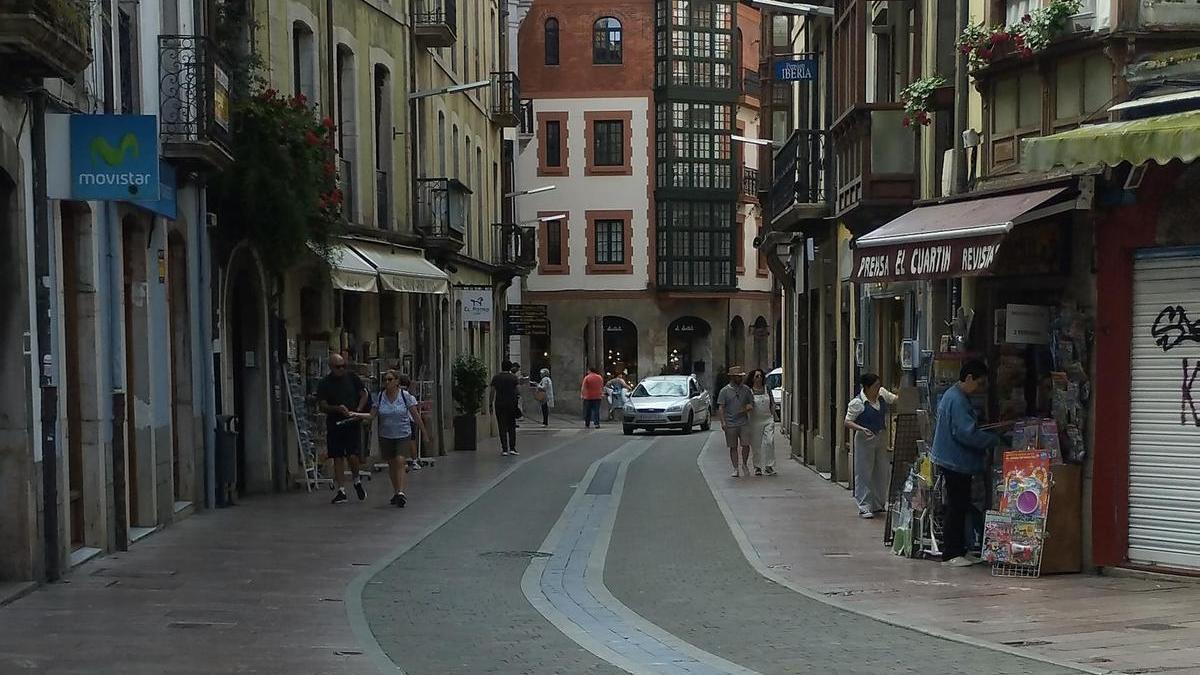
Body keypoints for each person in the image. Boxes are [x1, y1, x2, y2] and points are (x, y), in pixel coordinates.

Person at [931, 359, 999, 567]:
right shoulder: (957, 400)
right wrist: (993, 440)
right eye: (978, 383)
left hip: (953, 460)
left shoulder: (954, 396)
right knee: (957, 506)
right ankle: (952, 553)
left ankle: (959, 549)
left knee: (960, 505)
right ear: (969, 378)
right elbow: (965, 433)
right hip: (954, 461)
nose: (979, 389)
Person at [368, 371, 428, 508]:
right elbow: (372, 415)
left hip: (403, 433)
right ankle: (396, 491)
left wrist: (424, 432)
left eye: (390, 379)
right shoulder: (380, 397)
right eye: (385, 380)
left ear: (397, 381)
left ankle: (401, 492)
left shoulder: (405, 396)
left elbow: (415, 415)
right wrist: (356, 414)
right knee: (392, 464)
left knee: (400, 460)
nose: (387, 382)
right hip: (386, 435)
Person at [316, 354, 370, 504]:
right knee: (337, 456)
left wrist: (358, 410)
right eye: (338, 367)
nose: (341, 369)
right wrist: (337, 408)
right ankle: (341, 490)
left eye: (343, 366)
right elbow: (322, 404)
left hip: (351, 421)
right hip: (334, 422)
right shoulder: (325, 383)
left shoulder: (352, 378)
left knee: (352, 455)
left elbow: (364, 393)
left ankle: (356, 480)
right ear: (331, 367)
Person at [844, 373, 899, 518]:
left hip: (880, 437)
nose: (878, 388)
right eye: (875, 386)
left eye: (879, 385)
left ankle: (879, 503)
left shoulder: (882, 394)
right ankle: (864, 505)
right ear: (867, 388)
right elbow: (847, 421)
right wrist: (861, 428)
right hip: (864, 439)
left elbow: (895, 400)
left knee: (882, 470)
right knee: (864, 472)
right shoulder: (858, 403)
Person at [717, 366, 755, 478]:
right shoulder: (724, 391)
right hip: (730, 422)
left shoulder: (746, 390)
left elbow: (751, 402)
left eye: (741, 376)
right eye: (738, 377)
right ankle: (735, 468)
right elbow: (721, 407)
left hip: (743, 421)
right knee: (733, 446)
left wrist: (749, 407)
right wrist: (723, 422)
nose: (740, 378)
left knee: (746, 444)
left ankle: (744, 464)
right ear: (732, 377)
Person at [747, 369, 778, 477]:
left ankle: (769, 466)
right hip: (755, 421)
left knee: (770, 441)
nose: (759, 378)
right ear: (752, 378)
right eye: (756, 376)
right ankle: (757, 467)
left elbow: (772, 403)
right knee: (756, 445)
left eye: (760, 376)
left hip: (768, 419)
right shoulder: (749, 391)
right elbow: (747, 405)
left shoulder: (767, 389)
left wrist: (773, 414)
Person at [490, 360, 521, 456]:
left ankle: (504, 449)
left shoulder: (496, 378)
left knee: (502, 426)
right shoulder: (513, 378)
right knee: (512, 426)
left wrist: (490, 404)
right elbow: (517, 392)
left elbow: (492, 392)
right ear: (510, 368)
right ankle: (512, 448)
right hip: (511, 404)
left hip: (499, 404)